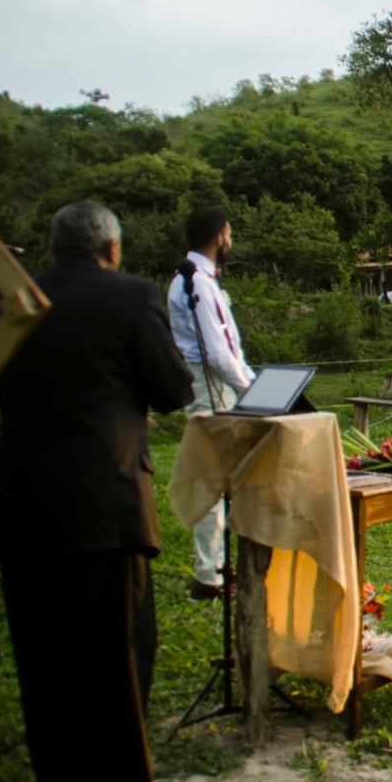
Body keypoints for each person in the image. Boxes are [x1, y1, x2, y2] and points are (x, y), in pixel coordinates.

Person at [0, 201, 198, 782]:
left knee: (44, 662)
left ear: (54, 247)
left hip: (22, 506)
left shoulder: (13, 303)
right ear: (111, 247)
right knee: (119, 656)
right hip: (103, 506)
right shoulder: (129, 297)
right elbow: (171, 389)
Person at [166, 206, 255, 603]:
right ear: (220, 234)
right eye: (229, 232)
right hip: (209, 385)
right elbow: (217, 353)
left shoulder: (197, 278)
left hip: (216, 383)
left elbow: (228, 347)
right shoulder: (194, 283)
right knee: (212, 478)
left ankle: (218, 565)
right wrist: (250, 388)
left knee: (226, 475)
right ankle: (209, 574)